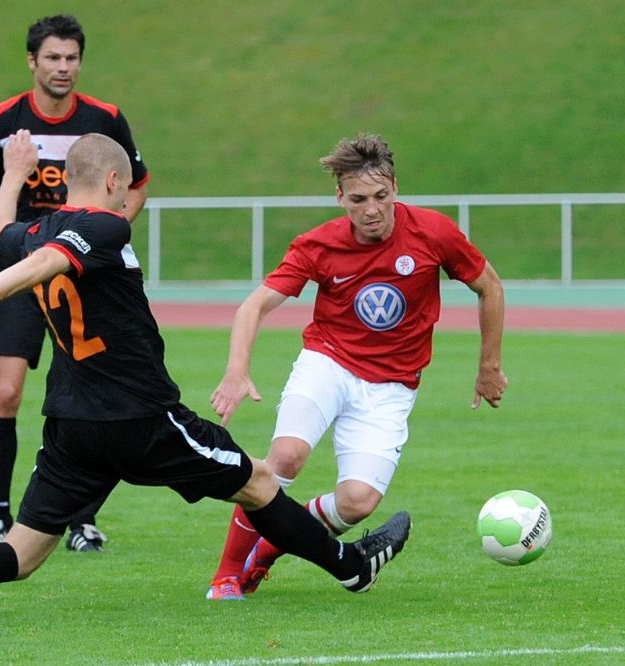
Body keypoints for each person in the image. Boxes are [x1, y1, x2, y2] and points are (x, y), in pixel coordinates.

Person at [0, 131, 410, 623]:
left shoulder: (38, 229)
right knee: (258, 482)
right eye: (128, 187)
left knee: (21, 553)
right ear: (112, 182)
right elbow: (49, 262)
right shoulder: (105, 228)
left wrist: (14, 176)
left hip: (72, 425)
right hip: (141, 417)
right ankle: (352, 568)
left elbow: (1, 234)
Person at [204, 133, 506, 600]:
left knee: (357, 503)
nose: (372, 210)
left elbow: (490, 287)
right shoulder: (318, 244)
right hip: (328, 362)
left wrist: (489, 366)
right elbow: (255, 306)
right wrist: (236, 370)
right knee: (286, 456)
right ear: (340, 197)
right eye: (359, 199)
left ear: (395, 188)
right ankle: (226, 576)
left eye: (381, 196)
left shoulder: (434, 233)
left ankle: (266, 550)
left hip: (392, 386)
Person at [0, 13, 149, 551]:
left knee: (88, 393)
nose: (63, 67)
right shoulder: (1, 121)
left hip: (82, 277)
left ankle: (81, 520)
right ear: (32, 62)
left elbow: (137, 187)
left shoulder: (105, 119)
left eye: (72, 58)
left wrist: (103, 235)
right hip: (20, 270)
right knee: (6, 392)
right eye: (53, 58)